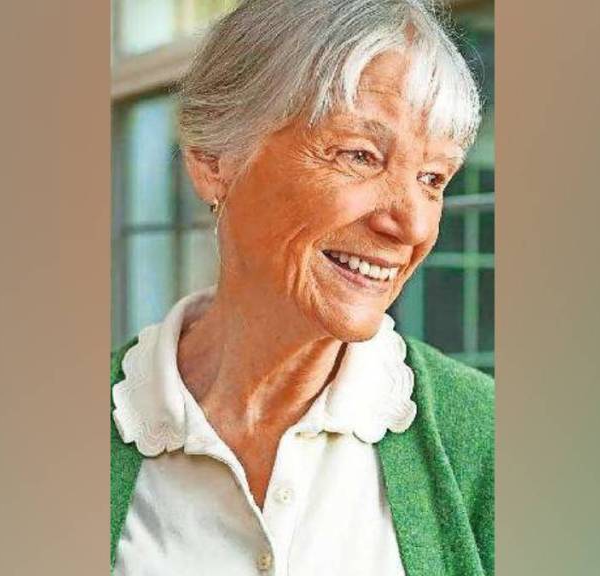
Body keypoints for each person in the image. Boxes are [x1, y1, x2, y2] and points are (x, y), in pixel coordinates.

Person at [110, 1, 493, 574]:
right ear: (214, 161)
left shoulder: (486, 439)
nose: (413, 225)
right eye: (361, 156)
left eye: (433, 178)